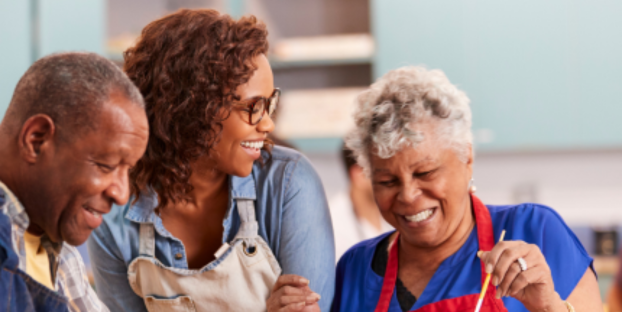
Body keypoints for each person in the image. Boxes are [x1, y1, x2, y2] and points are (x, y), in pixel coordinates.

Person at [87, 9, 335, 312]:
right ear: (193, 108)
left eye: (270, 103)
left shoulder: (289, 185)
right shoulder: (113, 213)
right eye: (253, 107)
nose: (268, 124)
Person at [332, 66, 603, 312]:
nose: (408, 196)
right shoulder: (355, 269)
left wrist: (549, 307)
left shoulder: (536, 231)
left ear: (467, 158)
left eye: (425, 173)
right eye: (387, 182)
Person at [0, 52, 148, 311]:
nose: (122, 194)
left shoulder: (56, 249)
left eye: (128, 171)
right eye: (107, 166)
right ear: (36, 141)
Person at [330, 143, 392, 261]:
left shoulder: (394, 212)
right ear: (359, 175)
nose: (391, 178)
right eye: (383, 170)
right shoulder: (331, 227)